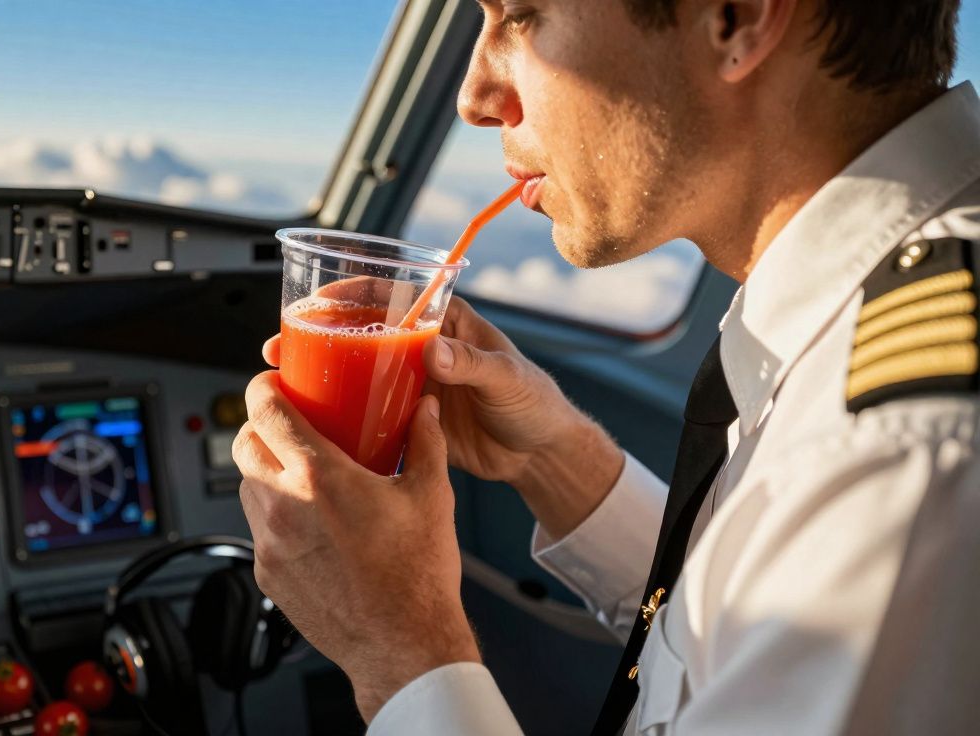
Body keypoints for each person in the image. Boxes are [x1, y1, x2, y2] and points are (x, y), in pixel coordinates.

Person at [233, 0, 978, 732]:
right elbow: (738, 626)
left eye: (521, 16)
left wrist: (400, 649)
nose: (475, 99)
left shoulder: (907, 461)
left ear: (738, 17)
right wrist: (556, 456)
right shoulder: (857, 338)